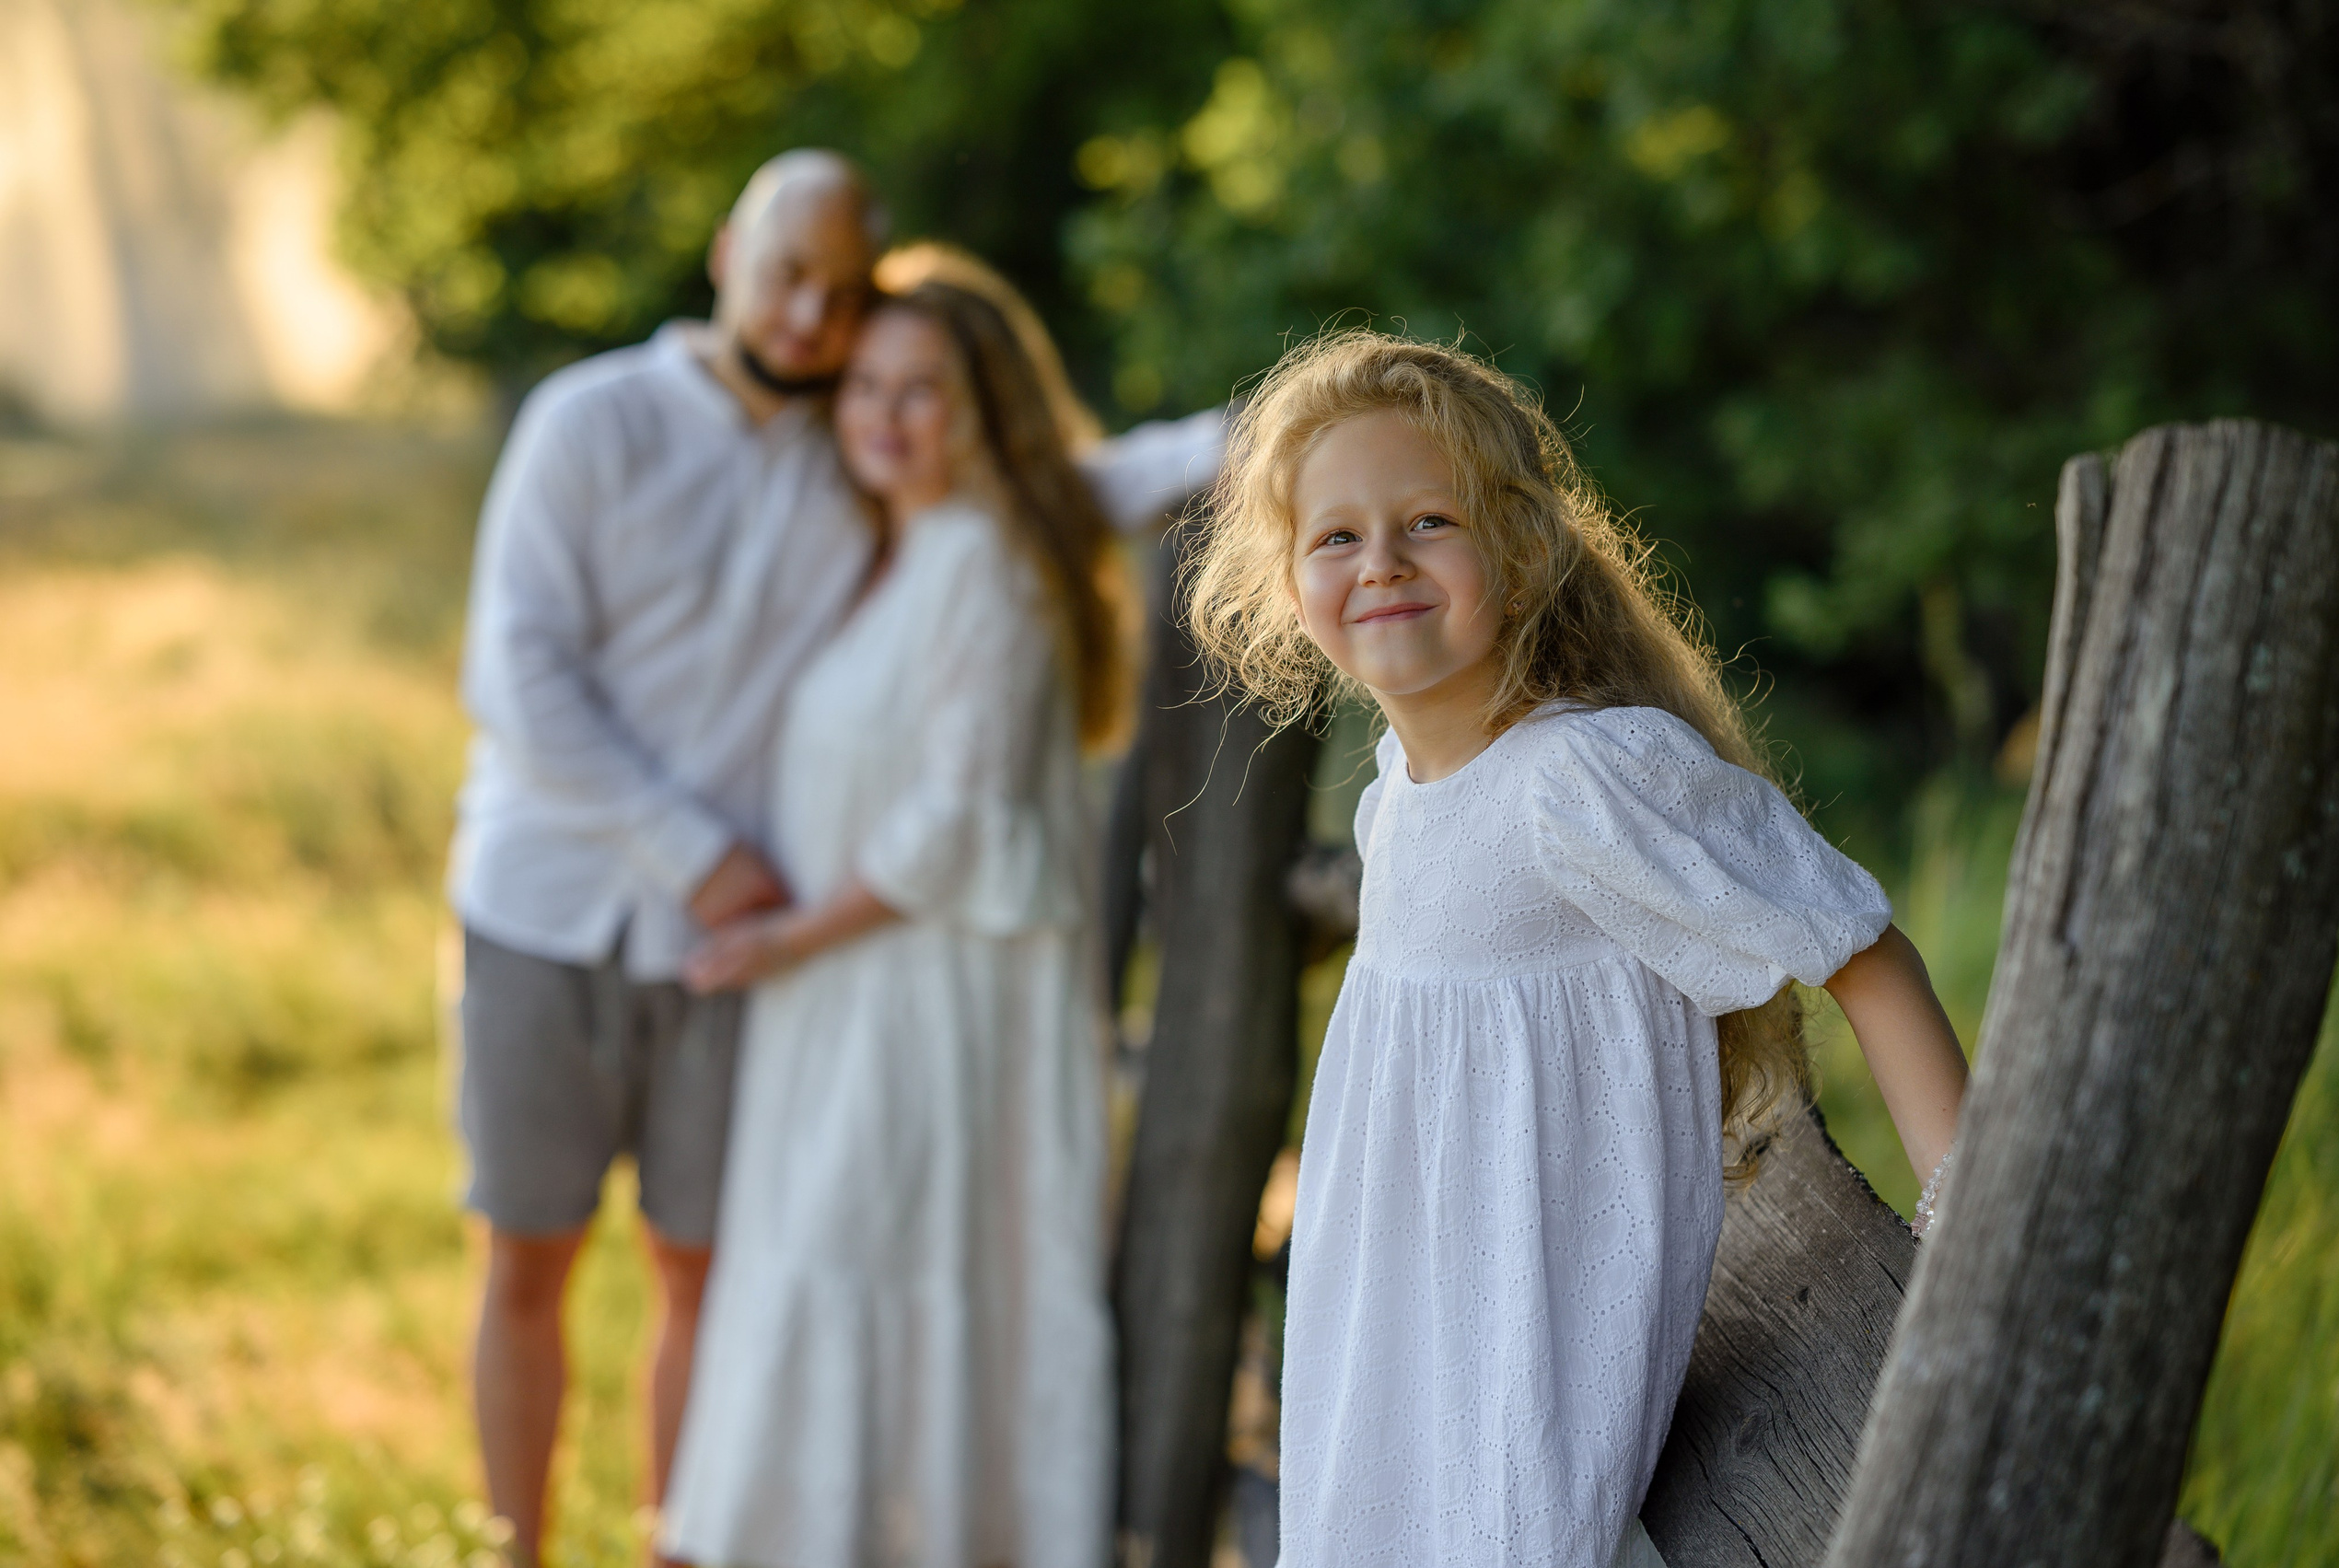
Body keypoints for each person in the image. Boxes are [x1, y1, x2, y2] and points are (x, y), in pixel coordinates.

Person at [449, 153, 1216, 1566]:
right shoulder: (593, 420)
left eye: (837, 290)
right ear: (727, 247)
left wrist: (1261, 438)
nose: (808, 317)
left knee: (706, 1267)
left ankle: (683, 1538)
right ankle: (512, 1550)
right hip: (557, 903)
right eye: (783, 272)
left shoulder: (846, 447)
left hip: (759, 946)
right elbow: (519, 675)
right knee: (527, 1253)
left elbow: (1037, 480)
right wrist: (693, 853)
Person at [1183, 331, 1971, 1568]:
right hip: (1394, 1379)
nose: (1380, 563)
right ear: (1287, 585)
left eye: (1428, 520)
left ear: (1522, 545)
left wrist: (1977, 1228)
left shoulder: (1585, 777)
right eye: (1336, 536)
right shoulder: (1395, 795)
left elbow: (1859, 949)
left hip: (1519, 1412)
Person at [656, 257, 1123, 1568]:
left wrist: (786, 938)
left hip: (928, 996)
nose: (887, 417)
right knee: (821, 1285)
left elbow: (955, 817)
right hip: (849, 988)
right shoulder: (890, 551)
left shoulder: (985, 559)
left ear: (989, 410)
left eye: (927, 392)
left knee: (865, 1284)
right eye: (867, 386)